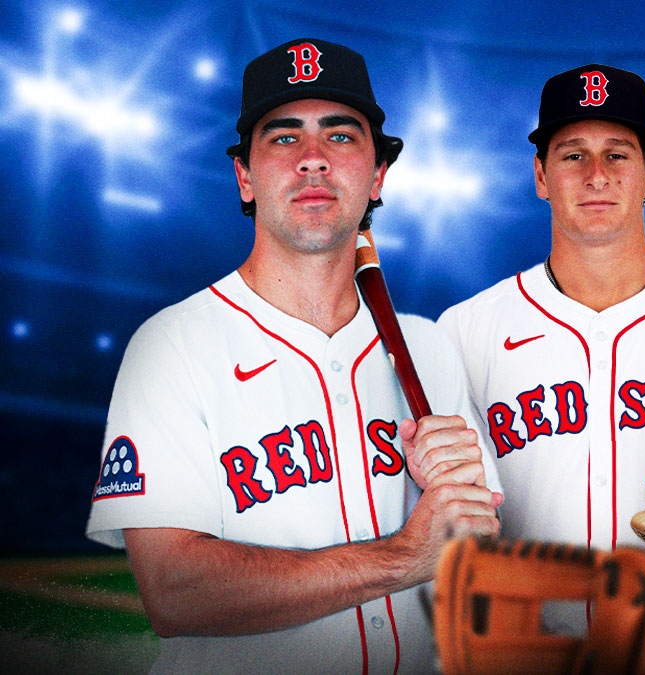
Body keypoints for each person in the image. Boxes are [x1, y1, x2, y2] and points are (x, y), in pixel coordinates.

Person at [85, 38, 502, 674]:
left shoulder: (428, 348)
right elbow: (174, 593)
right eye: (283, 138)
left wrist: (463, 529)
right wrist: (404, 556)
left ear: (378, 174)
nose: (312, 160)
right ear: (245, 176)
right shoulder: (172, 346)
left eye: (340, 136)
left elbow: (470, 552)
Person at [436, 63, 645, 622]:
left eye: (617, 153)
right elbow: (457, 525)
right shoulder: (467, 331)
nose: (596, 175)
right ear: (540, 176)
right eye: (571, 155)